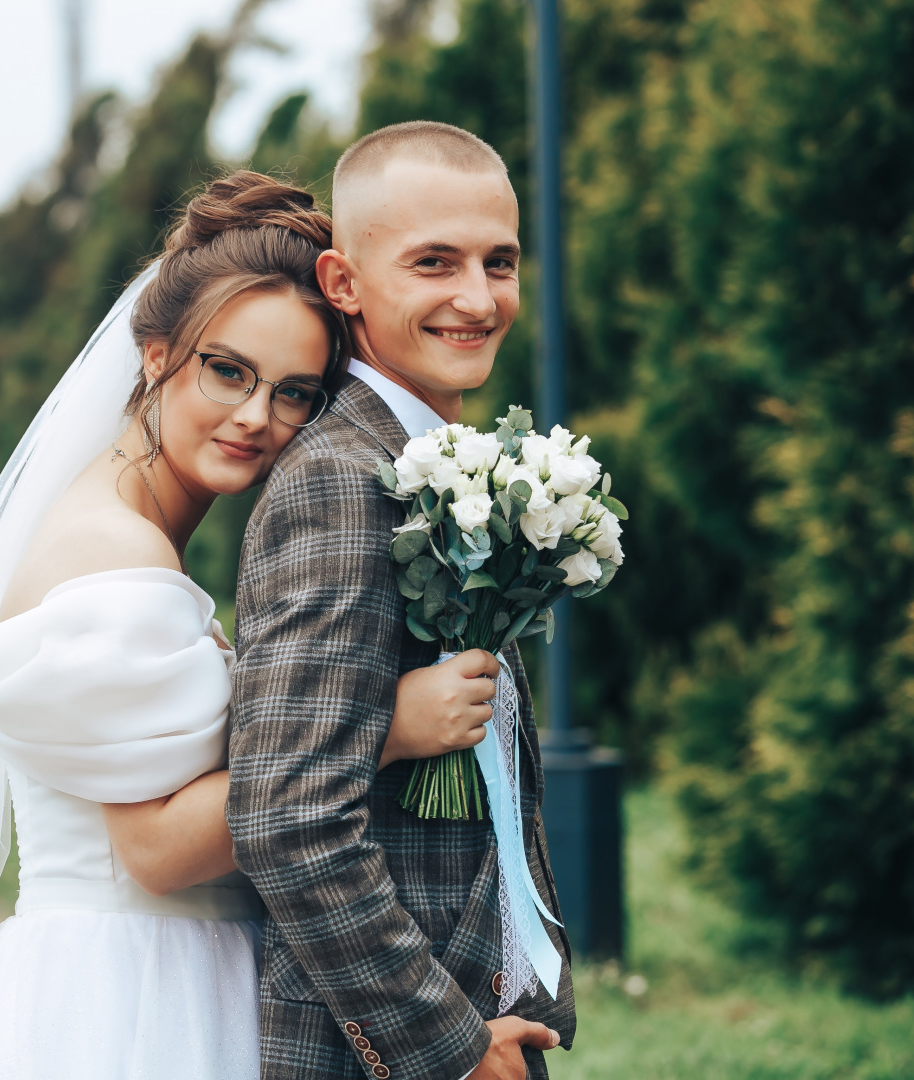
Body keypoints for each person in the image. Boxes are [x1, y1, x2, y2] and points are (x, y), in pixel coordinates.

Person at [0, 172, 500, 1080]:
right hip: (129, 1000)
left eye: (294, 394)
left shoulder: (135, 531)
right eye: (228, 371)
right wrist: (387, 726)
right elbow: (157, 851)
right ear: (156, 353)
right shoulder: (114, 562)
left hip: (147, 971)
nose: (256, 418)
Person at [227, 121, 577, 1080]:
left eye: (498, 262)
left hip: (482, 1007)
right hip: (380, 1050)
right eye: (434, 263)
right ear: (344, 285)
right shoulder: (342, 479)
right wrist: (448, 1050)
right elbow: (289, 818)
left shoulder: (430, 463)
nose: (478, 297)